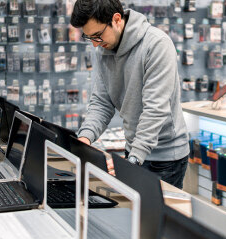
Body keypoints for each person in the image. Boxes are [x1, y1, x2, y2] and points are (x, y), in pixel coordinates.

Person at [70, 0, 189, 189]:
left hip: (165, 157)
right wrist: (84, 139)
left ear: (116, 19)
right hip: (134, 150)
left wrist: (132, 160)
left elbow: (155, 109)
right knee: (131, 214)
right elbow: (101, 102)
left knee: (154, 218)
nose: (94, 44)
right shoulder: (104, 49)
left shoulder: (156, 44)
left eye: (97, 36)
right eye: (89, 37)